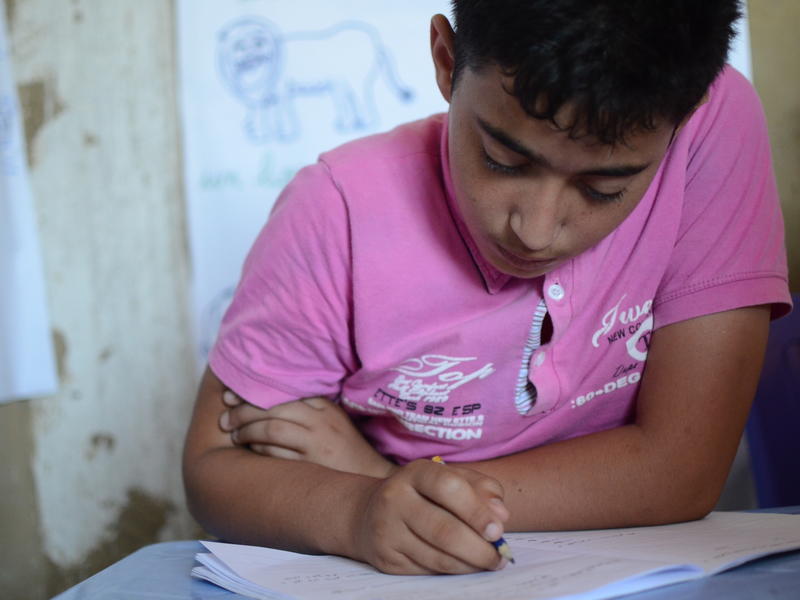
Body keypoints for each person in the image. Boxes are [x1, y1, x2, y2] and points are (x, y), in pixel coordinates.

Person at [182, 0, 792, 576]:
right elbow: (214, 468)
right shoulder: (336, 209)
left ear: (686, 113)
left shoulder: (713, 124)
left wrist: (383, 481)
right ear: (446, 62)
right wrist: (356, 513)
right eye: (504, 158)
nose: (535, 231)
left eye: (604, 188)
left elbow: (682, 469)